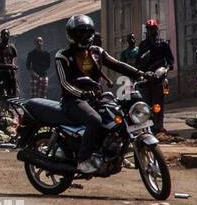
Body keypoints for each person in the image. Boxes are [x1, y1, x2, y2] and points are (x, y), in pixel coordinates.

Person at [53, 14, 152, 173]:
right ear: (71, 35)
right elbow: (65, 84)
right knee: (94, 120)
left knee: (119, 116)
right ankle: (83, 159)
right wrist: (82, 94)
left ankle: (112, 151)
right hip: (73, 100)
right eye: (80, 33)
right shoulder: (63, 56)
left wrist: (141, 74)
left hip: (96, 97)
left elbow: (118, 65)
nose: (85, 36)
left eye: (87, 32)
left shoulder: (96, 52)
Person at [135, 19, 174, 133]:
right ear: (147, 31)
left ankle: (159, 126)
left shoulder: (163, 44)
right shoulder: (143, 45)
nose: (151, 31)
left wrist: (165, 70)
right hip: (146, 80)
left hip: (159, 80)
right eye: (149, 29)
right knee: (146, 105)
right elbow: (138, 63)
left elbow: (170, 61)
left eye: (153, 29)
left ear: (157, 30)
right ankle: (149, 128)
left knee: (158, 104)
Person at [0, 30, 18, 102]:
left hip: (10, 75)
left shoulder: (12, 48)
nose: (5, 36)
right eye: (4, 34)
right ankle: (2, 108)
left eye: (7, 34)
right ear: (0, 36)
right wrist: (8, 66)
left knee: (12, 96)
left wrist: (14, 72)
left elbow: (13, 61)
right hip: (0, 75)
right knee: (1, 96)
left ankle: (9, 108)